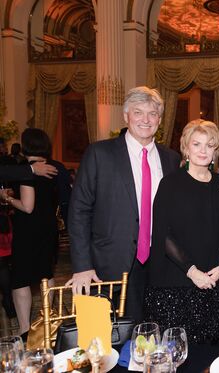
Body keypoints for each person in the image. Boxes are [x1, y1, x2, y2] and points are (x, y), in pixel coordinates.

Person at [66, 86, 180, 323]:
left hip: (157, 267)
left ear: (160, 119)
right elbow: (78, 210)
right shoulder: (99, 153)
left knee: (148, 339)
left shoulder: (171, 158)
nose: (146, 120)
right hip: (104, 268)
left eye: (152, 114)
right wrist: (82, 266)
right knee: (98, 345)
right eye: (138, 112)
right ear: (126, 116)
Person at [144, 119, 219, 372]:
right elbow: (163, 235)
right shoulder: (170, 184)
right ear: (186, 147)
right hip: (177, 286)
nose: (203, 150)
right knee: (179, 359)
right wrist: (192, 272)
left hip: (215, 284)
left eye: (209, 144)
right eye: (197, 144)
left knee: (211, 358)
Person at [0, 128, 59, 338]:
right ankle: (47, 321)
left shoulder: (27, 169)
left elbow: (27, 206)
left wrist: (6, 198)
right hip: (48, 227)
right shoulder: (54, 168)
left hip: (28, 230)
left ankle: (25, 330)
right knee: (46, 273)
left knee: (21, 279)